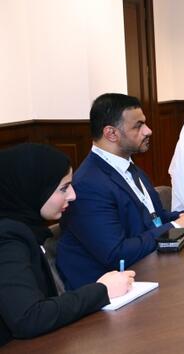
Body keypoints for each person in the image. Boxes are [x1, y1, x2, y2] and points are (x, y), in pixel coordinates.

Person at [58, 94, 184, 289]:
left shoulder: (128, 165)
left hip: (147, 271)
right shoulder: (88, 185)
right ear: (111, 133)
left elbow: (154, 218)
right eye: (138, 126)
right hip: (110, 292)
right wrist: (177, 225)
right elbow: (116, 254)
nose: (148, 131)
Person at [0, 144, 135, 346]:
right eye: (63, 188)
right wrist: (102, 290)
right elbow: (29, 317)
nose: (73, 195)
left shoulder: (25, 229)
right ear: (32, 188)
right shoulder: (7, 237)